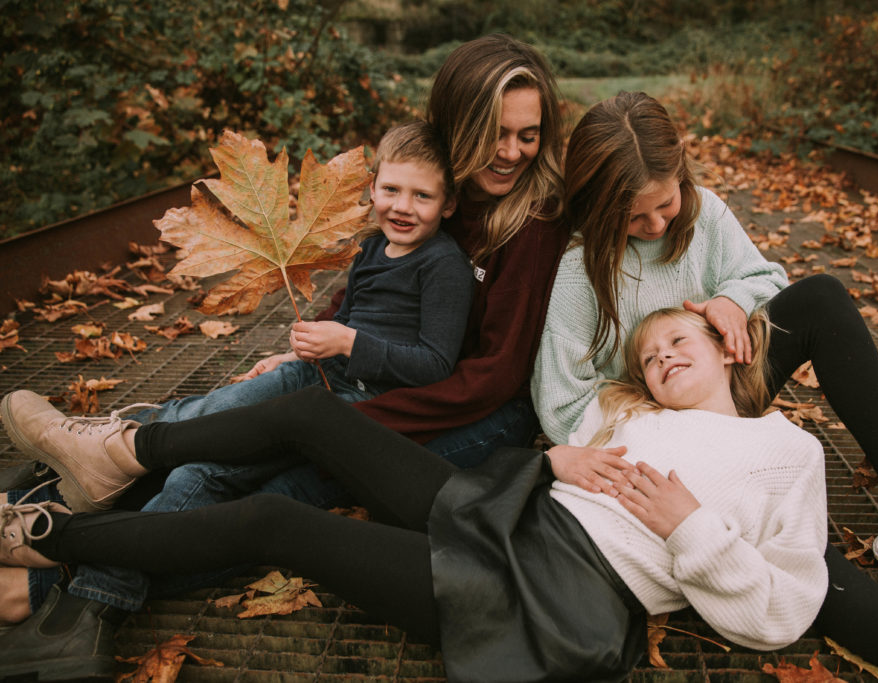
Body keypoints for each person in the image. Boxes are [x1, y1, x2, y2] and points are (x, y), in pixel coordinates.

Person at [0, 309, 878, 682]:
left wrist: (694, 532)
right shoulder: (633, 415)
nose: (662, 356)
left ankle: (55, 538)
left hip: (539, 589)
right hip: (506, 506)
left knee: (276, 521)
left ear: (729, 348)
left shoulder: (786, 453)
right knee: (309, 412)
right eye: (650, 353)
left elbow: (779, 608)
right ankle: (121, 451)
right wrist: (558, 458)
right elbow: (563, 403)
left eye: (680, 341)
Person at [0, 34, 571, 678]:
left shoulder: (531, 222)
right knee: (217, 460)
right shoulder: (435, 189)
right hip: (376, 385)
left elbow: (489, 378)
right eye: (496, 133)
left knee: (274, 492)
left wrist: (333, 430)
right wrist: (310, 359)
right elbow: (363, 296)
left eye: (529, 135)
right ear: (457, 128)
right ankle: (86, 484)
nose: (512, 152)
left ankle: (58, 575)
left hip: (467, 416)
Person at [530, 91, 878, 635]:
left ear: (682, 175)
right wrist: (651, 404)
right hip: (656, 438)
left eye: (665, 204)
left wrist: (732, 301)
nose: (655, 225)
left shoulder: (704, 211)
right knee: (792, 551)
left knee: (822, 299)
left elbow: (765, 277)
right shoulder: (578, 267)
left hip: (723, 389)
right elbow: (562, 404)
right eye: (633, 216)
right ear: (599, 205)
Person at [53, 118, 474, 512]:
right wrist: (293, 355)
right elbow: (346, 318)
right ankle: (87, 450)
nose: (403, 206)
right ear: (373, 188)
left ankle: (121, 550)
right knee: (212, 409)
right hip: (315, 375)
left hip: (358, 406)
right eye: (391, 190)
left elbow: (434, 365)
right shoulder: (371, 248)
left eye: (422, 196)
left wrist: (347, 343)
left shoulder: (443, 265)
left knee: (203, 471)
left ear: (449, 203)